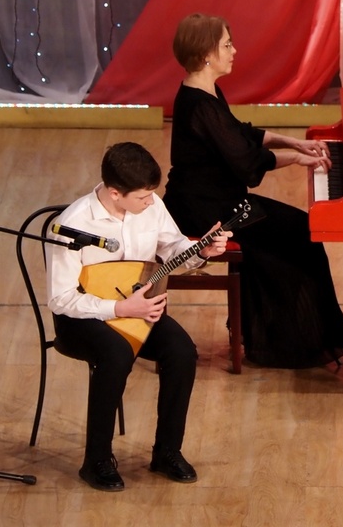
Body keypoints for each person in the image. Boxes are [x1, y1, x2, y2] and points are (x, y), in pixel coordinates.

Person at [163, 12, 343, 369]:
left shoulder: (206, 91)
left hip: (222, 201)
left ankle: (303, 335)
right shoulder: (199, 104)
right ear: (206, 54)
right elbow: (247, 162)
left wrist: (294, 142)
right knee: (301, 235)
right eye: (227, 45)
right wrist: (296, 159)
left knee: (299, 234)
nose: (234, 51)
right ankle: (302, 341)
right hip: (206, 211)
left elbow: (241, 133)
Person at [46, 142, 232, 492]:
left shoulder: (151, 205)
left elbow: (174, 249)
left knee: (182, 352)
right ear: (115, 193)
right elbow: (61, 299)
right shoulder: (71, 225)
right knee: (116, 354)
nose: (151, 202)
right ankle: (96, 461)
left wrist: (201, 250)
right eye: (143, 197)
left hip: (137, 308)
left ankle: (167, 452)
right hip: (81, 319)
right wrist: (119, 309)